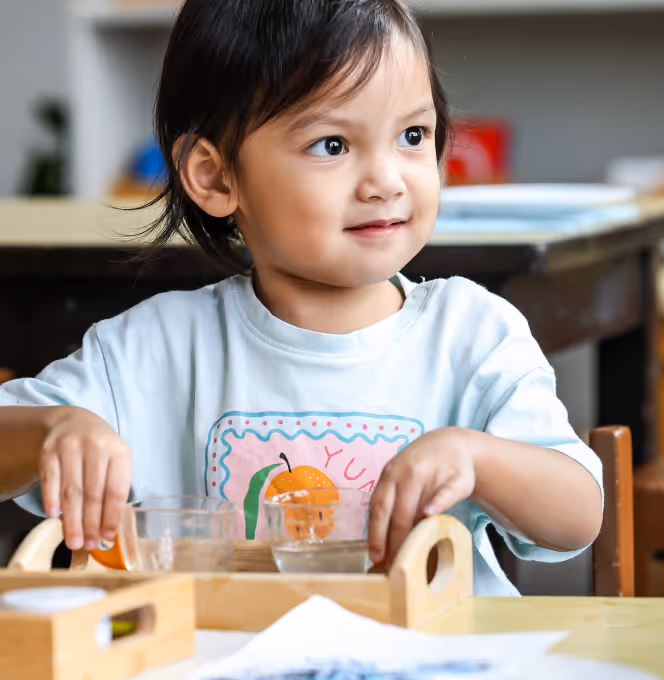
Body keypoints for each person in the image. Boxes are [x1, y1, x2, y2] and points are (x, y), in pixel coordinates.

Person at [0, 0, 602, 595]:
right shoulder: (153, 350)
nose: (387, 181)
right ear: (214, 177)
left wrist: (479, 458)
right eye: (332, 145)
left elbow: (577, 518)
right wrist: (56, 426)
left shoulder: (472, 333)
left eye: (412, 135)